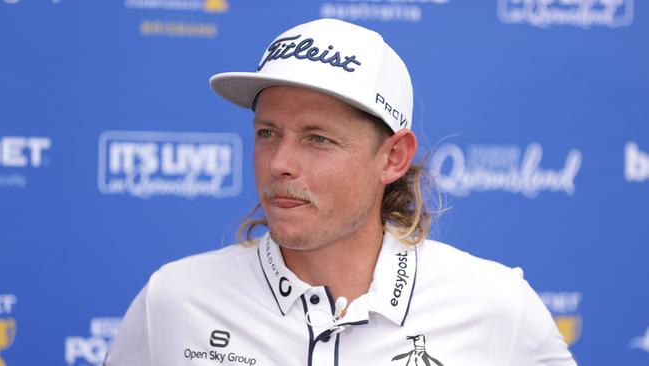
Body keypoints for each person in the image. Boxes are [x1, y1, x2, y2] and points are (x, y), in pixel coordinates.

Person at [104, 18, 577, 366]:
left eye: (317, 138)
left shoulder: (496, 306)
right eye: (267, 132)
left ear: (392, 157)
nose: (280, 163)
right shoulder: (174, 299)